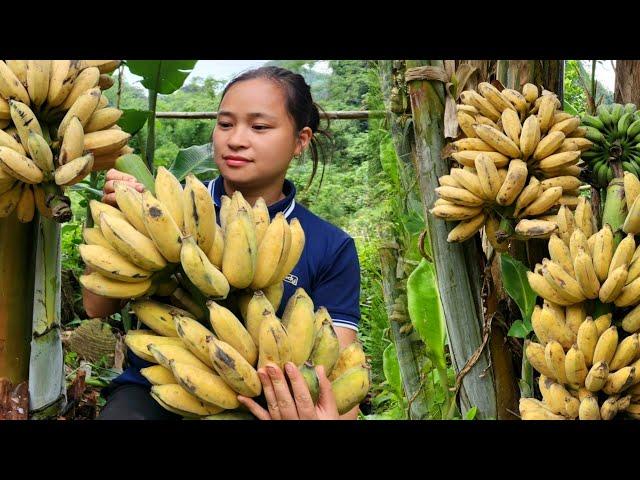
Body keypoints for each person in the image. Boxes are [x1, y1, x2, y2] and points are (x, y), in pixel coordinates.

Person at [85, 66, 362, 420]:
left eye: (259, 127)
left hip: (270, 405)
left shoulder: (329, 244)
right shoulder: (170, 213)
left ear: (300, 140)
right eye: (226, 124)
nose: (236, 139)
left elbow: (335, 371)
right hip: (156, 391)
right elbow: (96, 306)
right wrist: (114, 219)